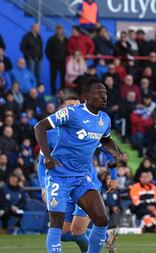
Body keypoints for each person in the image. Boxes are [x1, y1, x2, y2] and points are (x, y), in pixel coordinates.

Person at [34, 81, 121, 253]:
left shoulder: (104, 119)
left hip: (82, 179)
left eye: (105, 92)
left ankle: (101, 240)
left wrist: (115, 155)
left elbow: (105, 140)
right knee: (60, 227)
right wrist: (48, 158)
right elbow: (39, 126)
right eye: (99, 92)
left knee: (101, 219)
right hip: (59, 176)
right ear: (86, 97)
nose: (104, 96)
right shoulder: (72, 115)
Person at [46, 25, 68, 94]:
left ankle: (62, 92)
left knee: (63, 77)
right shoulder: (51, 39)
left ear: (63, 30)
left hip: (63, 61)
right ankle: (53, 92)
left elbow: (68, 50)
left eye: (60, 29)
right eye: (57, 29)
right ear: (55, 30)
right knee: (53, 78)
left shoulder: (66, 40)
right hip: (54, 62)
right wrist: (51, 58)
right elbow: (47, 50)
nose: (59, 31)